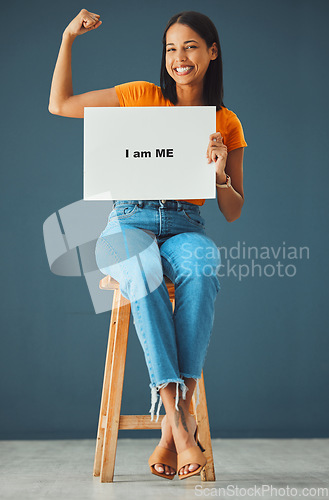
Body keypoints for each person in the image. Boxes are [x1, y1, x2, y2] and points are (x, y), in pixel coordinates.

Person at [48, 8, 247, 480]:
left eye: (191, 46)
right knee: (142, 271)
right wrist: (67, 39)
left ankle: (168, 432)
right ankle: (180, 425)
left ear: (212, 53)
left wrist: (219, 174)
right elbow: (60, 104)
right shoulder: (141, 96)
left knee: (202, 268)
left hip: (185, 225)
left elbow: (234, 208)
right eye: (171, 48)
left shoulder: (225, 120)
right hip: (127, 221)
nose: (180, 58)